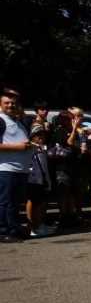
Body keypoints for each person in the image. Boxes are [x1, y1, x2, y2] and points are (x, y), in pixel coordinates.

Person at [0, 88, 32, 243]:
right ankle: (3, 231)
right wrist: (18, 147)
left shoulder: (16, 120)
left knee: (14, 202)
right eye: (7, 102)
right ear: (0, 104)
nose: (11, 105)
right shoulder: (0, 120)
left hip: (20, 169)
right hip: (6, 169)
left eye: (13, 103)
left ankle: (14, 228)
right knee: (5, 202)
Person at [27, 125, 55, 237]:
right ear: (33, 136)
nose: (41, 137)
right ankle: (31, 227)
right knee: (32, 201)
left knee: (41, 203)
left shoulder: (42, 148)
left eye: (43, 135)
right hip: (32, 179)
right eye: (38, 135)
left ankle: (39, 224)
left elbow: (45, 166)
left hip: (42, 179)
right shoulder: (30, 147)